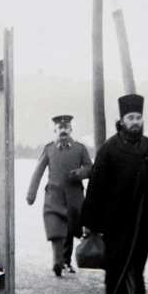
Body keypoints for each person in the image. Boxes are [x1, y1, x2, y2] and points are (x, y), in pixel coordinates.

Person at [81, 94, 148, 294]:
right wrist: (91, 220)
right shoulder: (109, 149)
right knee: (122, 261)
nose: (135, 122)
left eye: (138, 117)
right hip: (117, 219)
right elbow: (95, 186)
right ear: (122, 120)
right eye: (130, 118)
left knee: (137, 262)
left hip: (144, 217)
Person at [26, 115, 93, 277]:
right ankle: (58, 261)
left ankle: (66, 261)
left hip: (74, 197)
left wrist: (80, 173)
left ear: (71, 130)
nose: (63, 131)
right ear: (55, 131)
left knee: (70, 229)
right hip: (54, 196)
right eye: (59, 128)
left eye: (66, 128)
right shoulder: (49, 149)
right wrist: (31, 193)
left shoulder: (80, 148)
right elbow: (38, 171)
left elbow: (90, 168)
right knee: (56, 228)